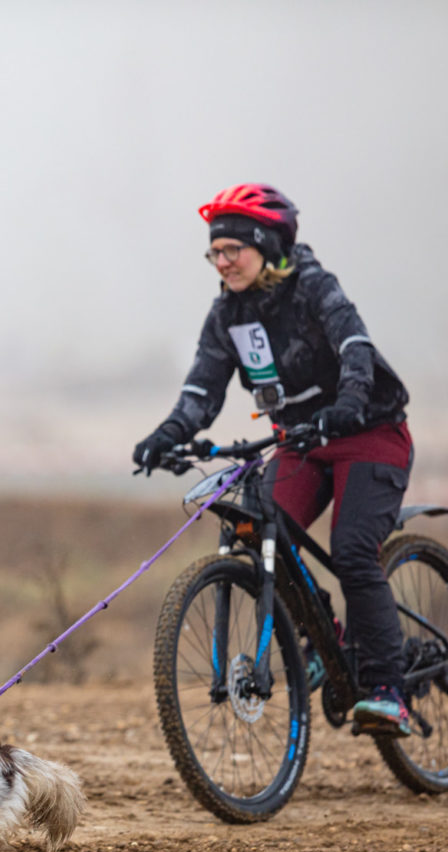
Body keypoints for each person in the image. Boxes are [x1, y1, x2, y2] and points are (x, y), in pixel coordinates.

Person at [133, 183, 415, 735]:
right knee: (257, 527)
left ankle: (388, 689)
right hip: (302, 443)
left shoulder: (312, 286)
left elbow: (354, 344)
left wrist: (351, 399)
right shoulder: (227, 316)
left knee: (354, 551)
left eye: (232, 249)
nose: (221, 261)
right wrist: (167, 433)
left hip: (370, 431)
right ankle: (319, 639)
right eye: (214, 252)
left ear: (265, 245)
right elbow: (201, 390)